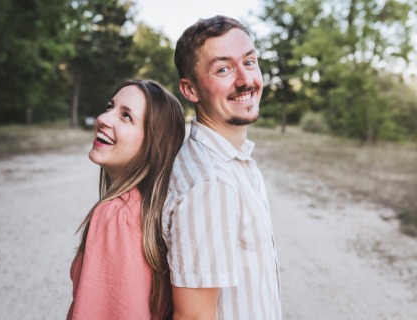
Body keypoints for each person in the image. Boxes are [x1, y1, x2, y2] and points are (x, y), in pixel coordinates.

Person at [162, 16, 282, 319]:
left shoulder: (232, 159)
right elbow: (194, 316)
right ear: (190, 90)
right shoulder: (210, 182)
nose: (245, 80)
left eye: (250, 62)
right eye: (224, 69)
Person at [67, 79, 186, 320]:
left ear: (154, 145)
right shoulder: (149, 212)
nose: (103, 118)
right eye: (110, 107)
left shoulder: (117, 216)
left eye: (126, 116)